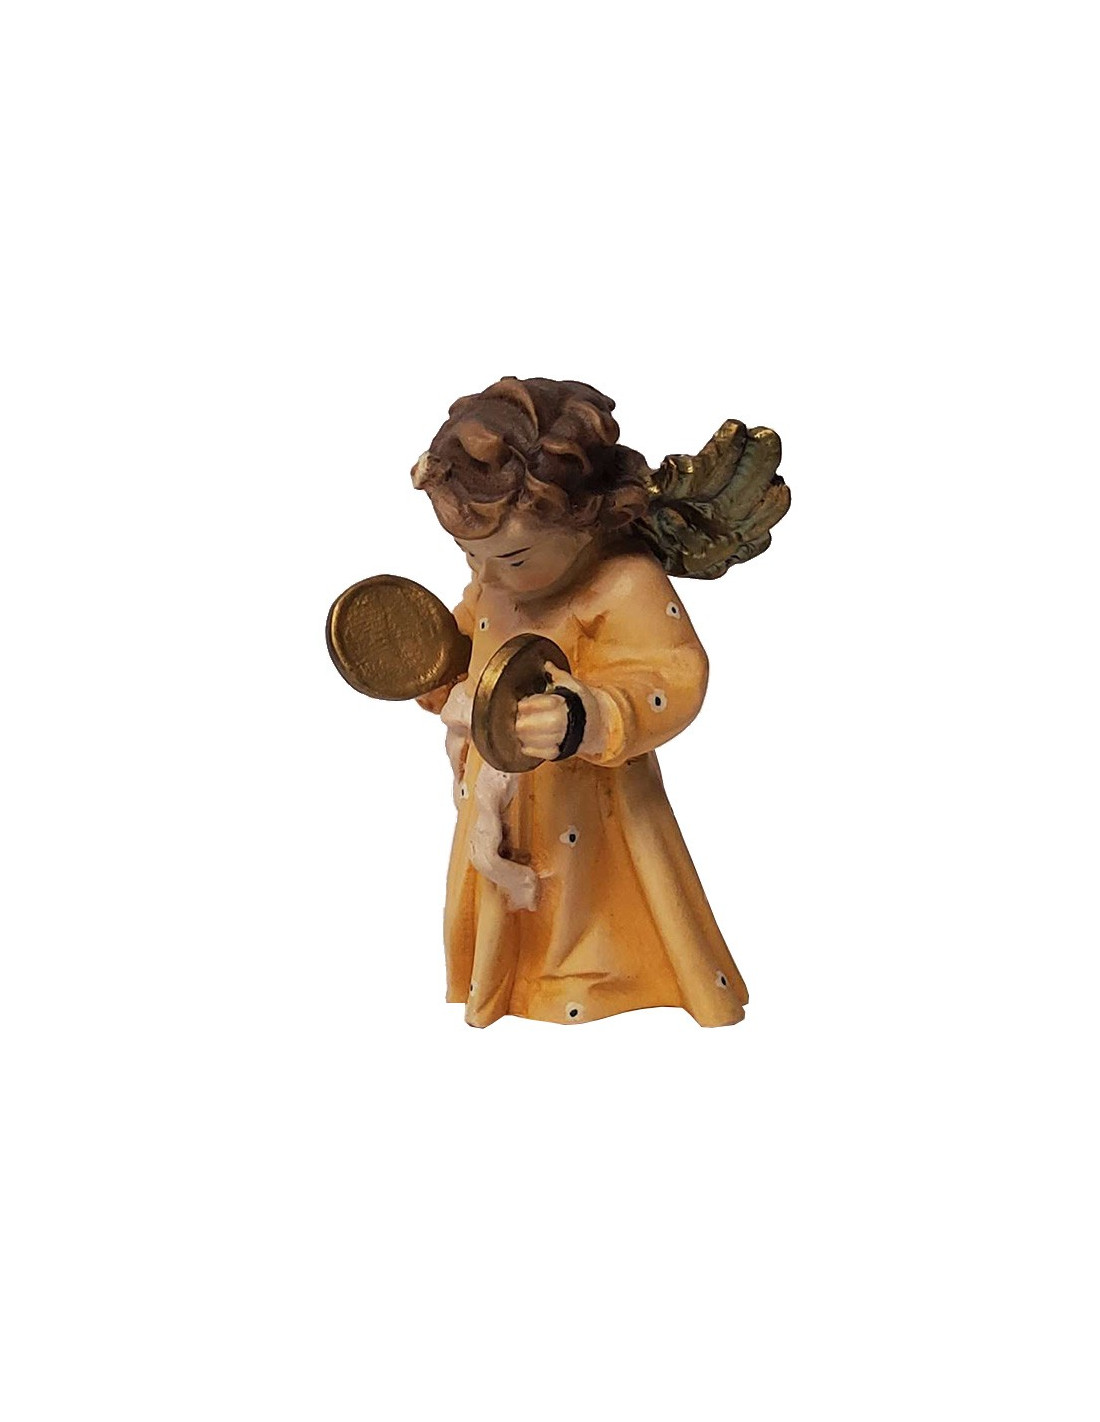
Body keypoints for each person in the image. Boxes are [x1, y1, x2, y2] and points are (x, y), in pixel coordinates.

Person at [411, 376, 788, 1028]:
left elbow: (674, 673)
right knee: (509, 895)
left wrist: (588, 716)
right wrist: (438, 672)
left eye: (512, 557)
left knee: (584, 897)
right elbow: (470, 629)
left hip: (593, 796)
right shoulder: (495, 579)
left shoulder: (623, 583)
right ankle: (511, 976)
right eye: (469, 554)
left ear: (583, 525)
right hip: (497, 784)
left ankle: (595, 976)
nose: (487, 574)